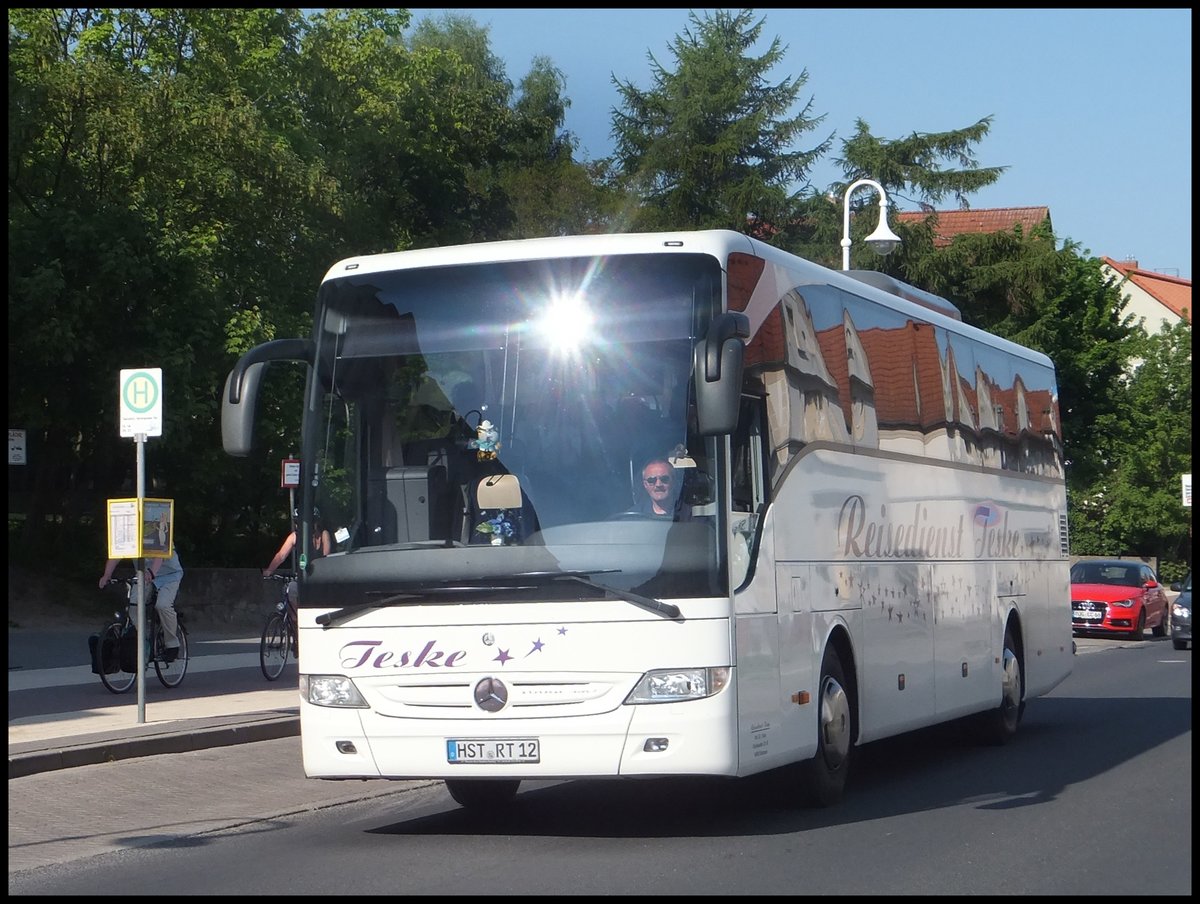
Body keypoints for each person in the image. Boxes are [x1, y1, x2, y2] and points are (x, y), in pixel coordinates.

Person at [98, 548, 184, 661]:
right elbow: (117, 553)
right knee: (133, 606)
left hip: (169, 575)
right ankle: (142, 642)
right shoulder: (131, 535)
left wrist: (152, 572)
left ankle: (172, 645)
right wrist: (107, 574)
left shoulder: (159, 532)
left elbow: (160, 554)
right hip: (144, 575)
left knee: (163, 605)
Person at [263, 508, 332, 588]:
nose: (300, 525)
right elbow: (281, 555)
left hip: (320, 578)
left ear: (316, 522)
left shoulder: (324, 534)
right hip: (302, 578)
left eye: (311, 521)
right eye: (297, 522)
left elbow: (326, 558)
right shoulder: (294, 536)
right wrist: (269, 570)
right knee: (292, 591)